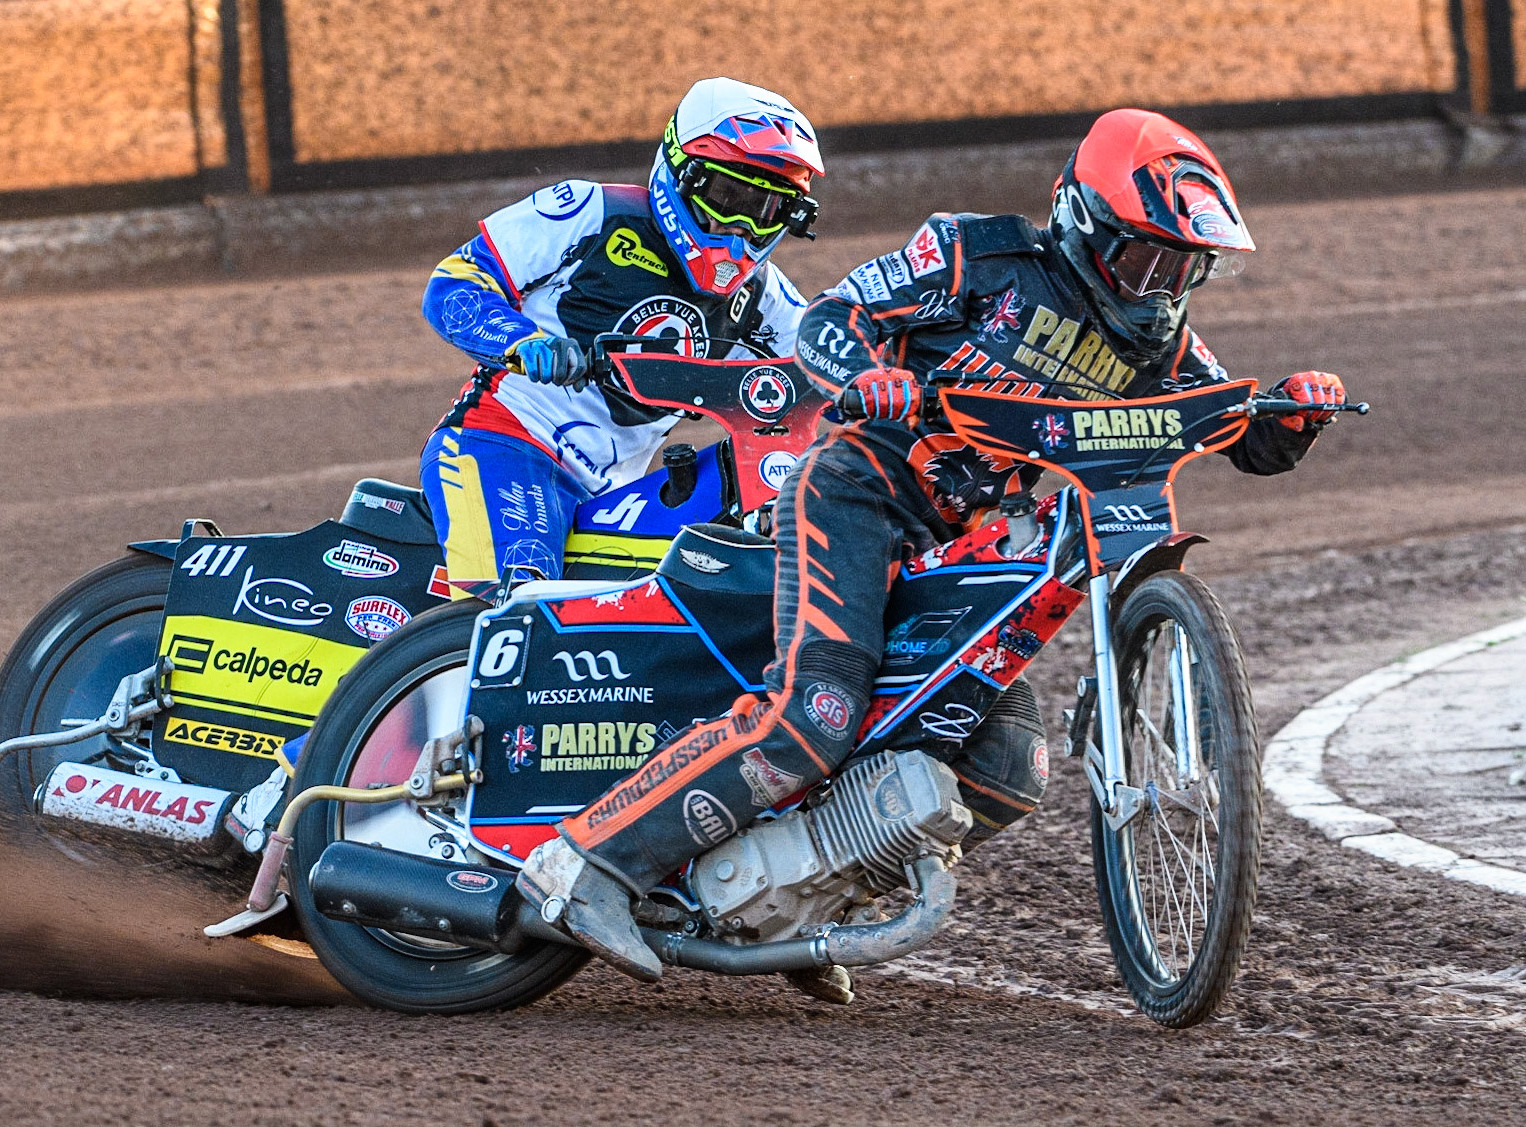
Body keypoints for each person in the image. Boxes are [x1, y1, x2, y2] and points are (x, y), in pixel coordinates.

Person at [518, 107, 1347, 988]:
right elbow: (830, 320)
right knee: (814, 716)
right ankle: (584, 864)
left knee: (1006, 764)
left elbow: (1241, 436)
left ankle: (800, 901)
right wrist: (864, 375)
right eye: (1143, 257)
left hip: (956, 552)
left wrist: (1292, 415)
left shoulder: (1161, 341)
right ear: (1083, 223)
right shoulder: (972, 255)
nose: (1157, 284)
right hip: (854, 495)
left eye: (1182, 267)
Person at [417, 77, 824, 589]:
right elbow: (454, 283)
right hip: (505, 445)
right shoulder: (589, 212)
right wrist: (523, 342)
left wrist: (904, 387)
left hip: (618, 492)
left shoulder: (764, 298)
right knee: (520, 606)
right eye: (729, 197)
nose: (740, 227)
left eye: (768, 211)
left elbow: (827, 360)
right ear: (682, 173)